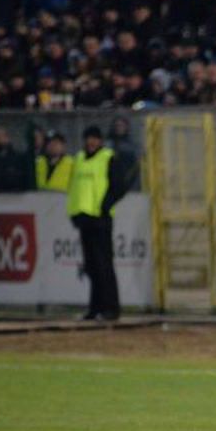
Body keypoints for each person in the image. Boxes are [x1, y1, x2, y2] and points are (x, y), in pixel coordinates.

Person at [67, 126, 128, 322]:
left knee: (104, 265)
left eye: (94, 139)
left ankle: (111, 308)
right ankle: (95, 308)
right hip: (84, 218)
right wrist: (74, 213)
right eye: (88, 138)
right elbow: (75, 188)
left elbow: (119, 185)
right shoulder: (78, 158)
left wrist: (105, 205)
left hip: (100, 219)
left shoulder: (108, 157)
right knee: (91, 266)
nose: (91, 142)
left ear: (100, 141)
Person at [0, 126, 29, 193]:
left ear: (7, 137)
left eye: (1, 136)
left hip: (14, 196)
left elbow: (24, 179)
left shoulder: (18, 158)